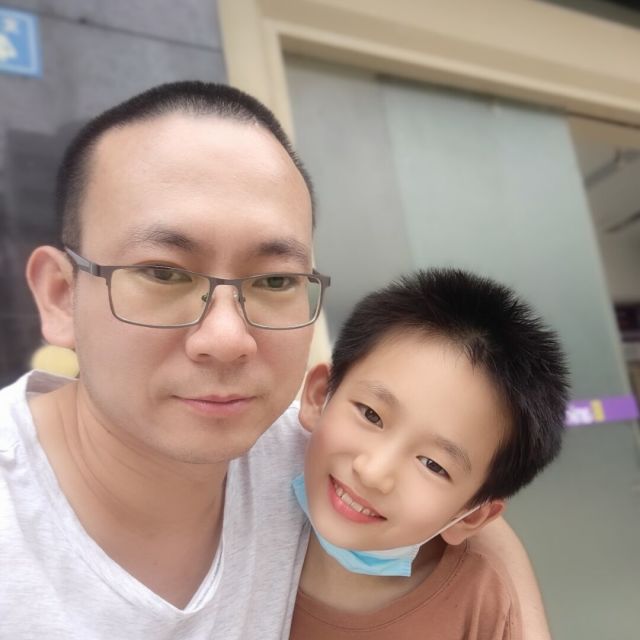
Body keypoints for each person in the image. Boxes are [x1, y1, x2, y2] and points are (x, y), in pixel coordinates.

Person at [0, 81, 553, 639]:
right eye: (164, 273)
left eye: (274, 281)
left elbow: (463, 495)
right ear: (61, 296)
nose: (227, 338)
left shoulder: (309, 452)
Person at [289, 268, 569, 639]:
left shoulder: (484, 608)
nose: (374, 473)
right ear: (319, 395)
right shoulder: (239, 476)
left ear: (471, 516)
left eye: (433, 465)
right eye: (370, 414)